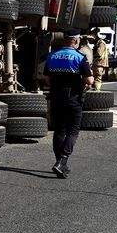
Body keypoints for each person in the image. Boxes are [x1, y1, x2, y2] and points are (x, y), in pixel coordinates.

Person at [45, 33, 94, 178]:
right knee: (73, 131)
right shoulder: (79, 57)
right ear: (76, 41)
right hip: (73, 98)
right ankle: (62, 161)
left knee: (59, 130)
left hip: (55, 98)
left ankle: (60, 163)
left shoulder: (52, 56)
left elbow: (47, 79)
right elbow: (90, 80)